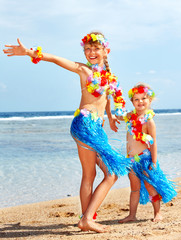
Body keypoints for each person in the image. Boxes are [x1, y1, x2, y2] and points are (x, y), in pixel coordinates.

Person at [3, 32, 132, 233]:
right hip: (85, 125)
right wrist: (29, 52)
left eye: (95, 48)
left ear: (106, 51)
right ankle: (87, 218)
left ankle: (86, 218)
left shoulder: (109, 79)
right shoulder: (84, 70)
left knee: (90, 174)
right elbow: (56, 59)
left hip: (94, 127)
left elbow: (106, 98)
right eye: (87, 49)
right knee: (112, 172)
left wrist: (111, 115)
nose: (91, 52)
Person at [117, 83, 177, 223]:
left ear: (150, 100)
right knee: (134, 189)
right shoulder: (129, 117)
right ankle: (132, 215)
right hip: (131, 160)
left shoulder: (149, 122)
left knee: (150, 186)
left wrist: (154, 162)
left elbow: (153, 143)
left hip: (145, 159)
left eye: (143, 98)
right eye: (136, 99)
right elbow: (119, 116)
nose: (140, 102)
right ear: (132, 102)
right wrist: (113, 110)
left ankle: (158, 213)